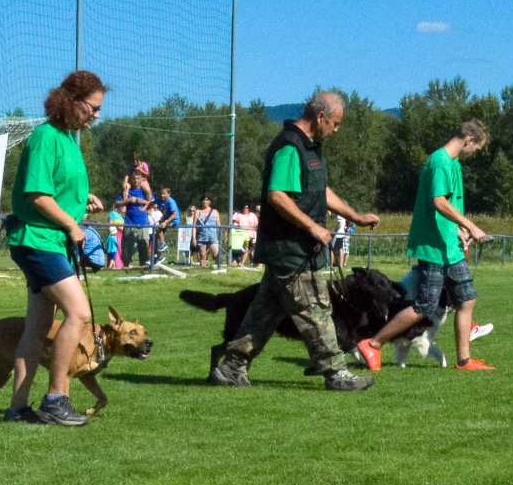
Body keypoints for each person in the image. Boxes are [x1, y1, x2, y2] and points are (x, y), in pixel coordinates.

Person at [209, 91, 380, 392]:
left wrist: (354, 215)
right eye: (335, 124)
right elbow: (277, 195)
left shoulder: (310, 148)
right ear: (320, 117)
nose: (336, 130)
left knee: (264, 314)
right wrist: (313, 227)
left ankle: (232, 368)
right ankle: (336, 373)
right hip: (291, 251)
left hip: (295, 251)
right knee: (316, 310)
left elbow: (320, 190)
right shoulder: (289, 146)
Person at [1, 69, 107, 426]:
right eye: (93, 107)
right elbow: (37, 195)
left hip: (48, 241)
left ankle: (17, 409)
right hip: (38, 241)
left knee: (36, 326)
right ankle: (56, 399)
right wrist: (71, 224)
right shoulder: (45, 137)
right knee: (79, 313)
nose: (96, 115)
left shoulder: (67, 140)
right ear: (71, 101)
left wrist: (82, 201)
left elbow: (56, 190)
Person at [354, 121, 494, 371]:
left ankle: (464, 360)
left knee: (467, 298)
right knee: (426, 305)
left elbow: (448, 208)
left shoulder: (453, 164)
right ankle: (374, 344)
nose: (475, 153)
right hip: (433, 248)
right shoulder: (440, 162)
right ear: (469, 139)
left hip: (449, 247)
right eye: (477, 148)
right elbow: (438, 202)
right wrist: (470, 225)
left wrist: (460, 231)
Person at [116, 172, 153, 268]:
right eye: (134, 179)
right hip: (129, 223)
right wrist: (128, 200)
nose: (136, 181)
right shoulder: (127, 191)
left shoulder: (144, 191)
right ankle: (125, 267)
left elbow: (153, 203)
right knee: (127, 248)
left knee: (144, 247)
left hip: (143, 224)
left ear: (141, 179)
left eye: (138, 178)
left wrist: (142, 201)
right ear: (130, 180)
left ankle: (143, 267)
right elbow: (116, 203)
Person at [192, 196, 221, 266]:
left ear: (209, 202)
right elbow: (194, 226)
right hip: (202, 237)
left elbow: (219, 225)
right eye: (203, 200)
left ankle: (218, 268)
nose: (204, 201)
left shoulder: (215, 212)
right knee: (203, 256)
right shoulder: (198, 212)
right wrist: (194, 238)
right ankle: (203, 269)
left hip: (213, 237)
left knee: (216, 254)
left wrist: (220, 235)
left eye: (206, 200)